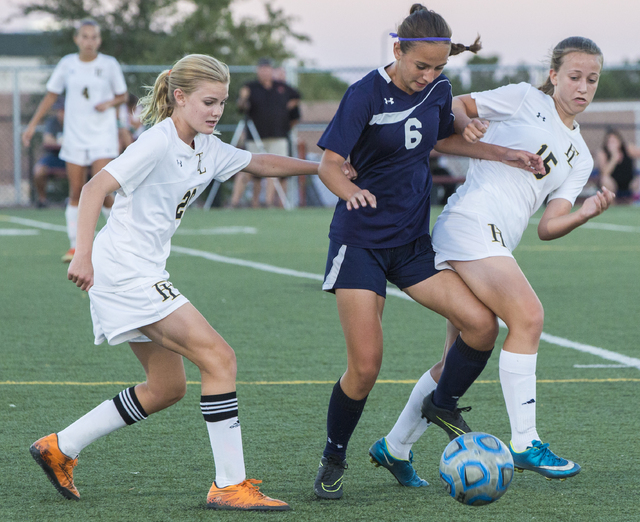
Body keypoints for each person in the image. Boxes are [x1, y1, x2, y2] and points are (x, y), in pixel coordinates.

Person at [28, 53, 324, 511]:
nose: (216, 111)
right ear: (179, 97)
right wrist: (82, 253)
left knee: (167, 387)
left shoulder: (208, 145)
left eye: (222, 103)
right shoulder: (158, 141)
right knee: (220, 358)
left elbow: (261, 163)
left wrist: (324, 167)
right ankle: (229, 485)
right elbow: (93, 189)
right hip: (126, 271)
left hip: (139, 270)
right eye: (208, 101)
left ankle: (59, 446)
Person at [312, 4, 544, 500]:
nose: (430, 76)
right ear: (397, 50)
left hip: (413, 243)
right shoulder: (364, 94)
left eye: (439, 68)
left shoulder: (439, 91)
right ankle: (334, 455)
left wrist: (507, 154)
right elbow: (329, 164)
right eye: (421, 66)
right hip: (360, 243)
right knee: (366, 366)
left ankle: (442, 403)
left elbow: (443, 140)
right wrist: (347, 191)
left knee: (481, 325)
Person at [373, 36, 614, 485]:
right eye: (575, 76)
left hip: (497, 238)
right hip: (469, 221)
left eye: (592, 80)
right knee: (528, 317)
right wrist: (468, 123)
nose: (583, 87)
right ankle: (525, 443)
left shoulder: (580, 154)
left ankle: (394, 447)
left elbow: (548, 225)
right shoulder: (524, 98)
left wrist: (582, 214)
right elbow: (456, 103)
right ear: (554, 76)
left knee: (457, 357)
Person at [22, 19, 128, 262]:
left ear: (99, 40)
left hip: (102, 135)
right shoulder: (67, 64)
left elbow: (122, 96)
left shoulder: (109, 64)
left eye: (94, 37)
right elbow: (51, 96)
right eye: (85, 36)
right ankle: (75, 247)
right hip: (75, 137)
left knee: (104, 191)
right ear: (77, 39)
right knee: (76, 191)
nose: (89, 41)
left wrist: (109, 103)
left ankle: (118, 245)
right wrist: (31, 126)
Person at [229, 57, 301, 208]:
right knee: (246, 169)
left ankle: (268, 203)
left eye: (267, 69)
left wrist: (284, 111)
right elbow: (241, 107)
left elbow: (297, 98)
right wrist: (243, 98)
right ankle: (234, 202)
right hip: (256, 137)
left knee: (274, 171)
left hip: (278, 136)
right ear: (258, 70)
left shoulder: (281, 87)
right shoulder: (250, 87)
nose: (265, 72)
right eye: (262, 69)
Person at [32, 98, 65, 208]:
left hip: (72, 157)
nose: (61, 113)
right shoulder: (52, 122)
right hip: (55, 156)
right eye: (60, 110)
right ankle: (43, 200)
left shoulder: (75, 122)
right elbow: (48, 140)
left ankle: (74, 199)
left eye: (64, 110)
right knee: (39, 170)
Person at [596, 128, 640, 201]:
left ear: (619, 141)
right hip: (613, 185)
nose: (612, 144)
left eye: (614, 141)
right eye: (610, 142)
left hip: (630, 183)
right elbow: (604, 173)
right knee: (605, 179)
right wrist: (614, 158)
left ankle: (636, 201)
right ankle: (611, 202)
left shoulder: (628, 149)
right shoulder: (603, 153)